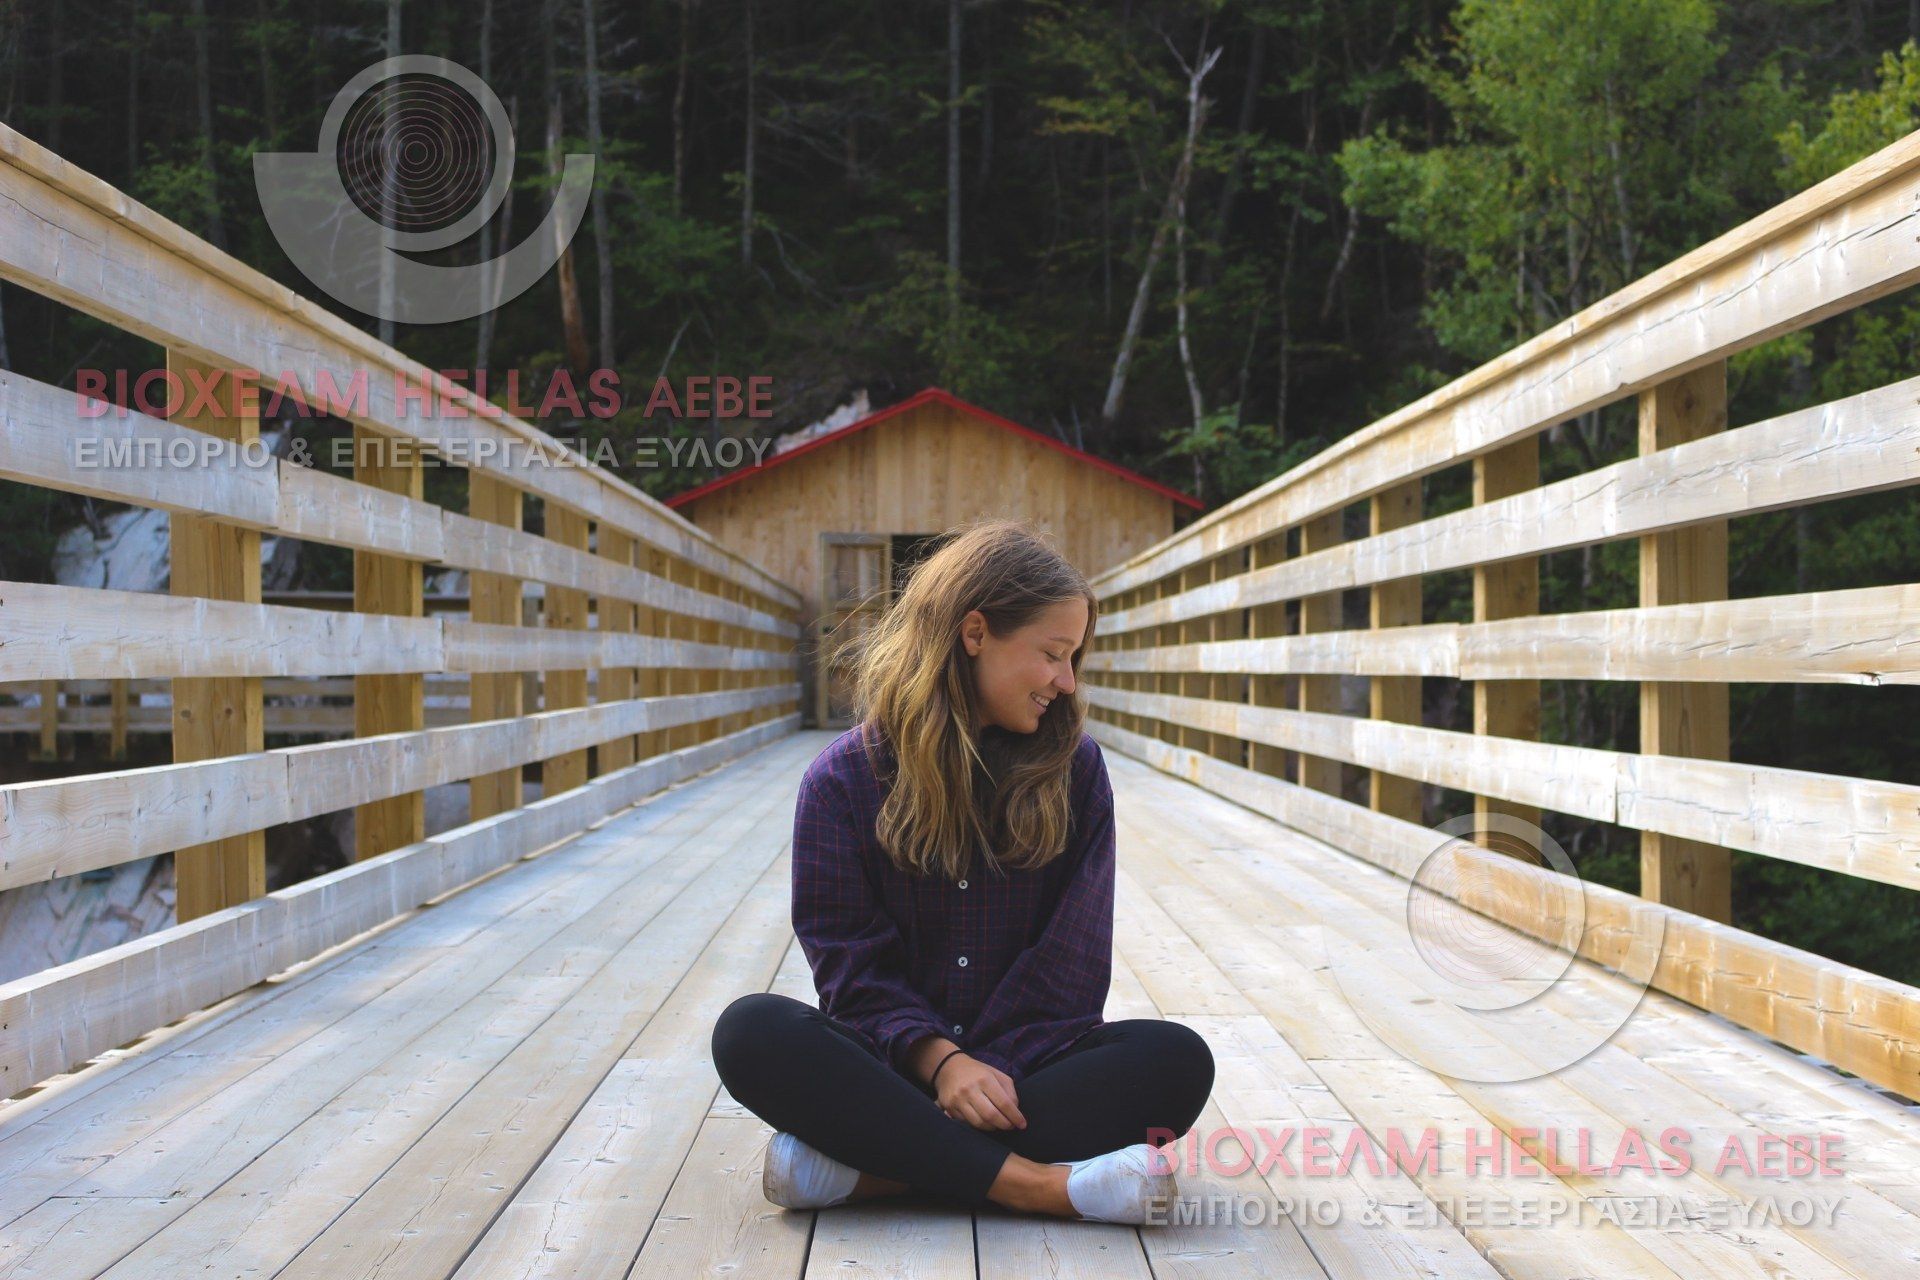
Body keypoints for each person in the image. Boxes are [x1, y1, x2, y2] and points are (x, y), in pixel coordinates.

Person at [710, 518, 1214, 1223]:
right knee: (750, 1033)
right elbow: (851, 968)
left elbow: (1070, 966)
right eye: (1051, 654)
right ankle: (1043, 1188)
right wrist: (944, 1064)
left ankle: (872, 1175)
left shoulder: (1076, 773)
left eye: (1073, 659)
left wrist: (988, 1074)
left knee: (1175, 1062)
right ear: (975, 633)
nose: (1066, 683)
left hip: (1024, 1080)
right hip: (894, 1070)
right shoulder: (844, 781)